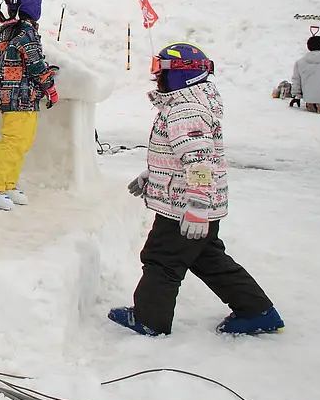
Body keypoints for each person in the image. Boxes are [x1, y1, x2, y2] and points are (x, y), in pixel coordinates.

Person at [109, 42, 284, 336]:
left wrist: (197, 209)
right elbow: (185, 156)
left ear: (179, 74)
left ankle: (149, 319)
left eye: (160, 70)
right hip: (190, 203)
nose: (156, 77)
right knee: (208, 259)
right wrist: (153, 175)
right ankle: (256, 310)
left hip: (184, 208)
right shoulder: (188, 103)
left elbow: (199, 164)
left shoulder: (184, 110)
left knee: (161, 259)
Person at [0, 0, 57, 210]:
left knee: (22, 141)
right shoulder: (26, 32)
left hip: (21, 94)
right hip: (18, 95)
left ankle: (6, 183)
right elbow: (36, 64)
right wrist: (50, 86)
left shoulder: (14, 30)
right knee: (13, 141)